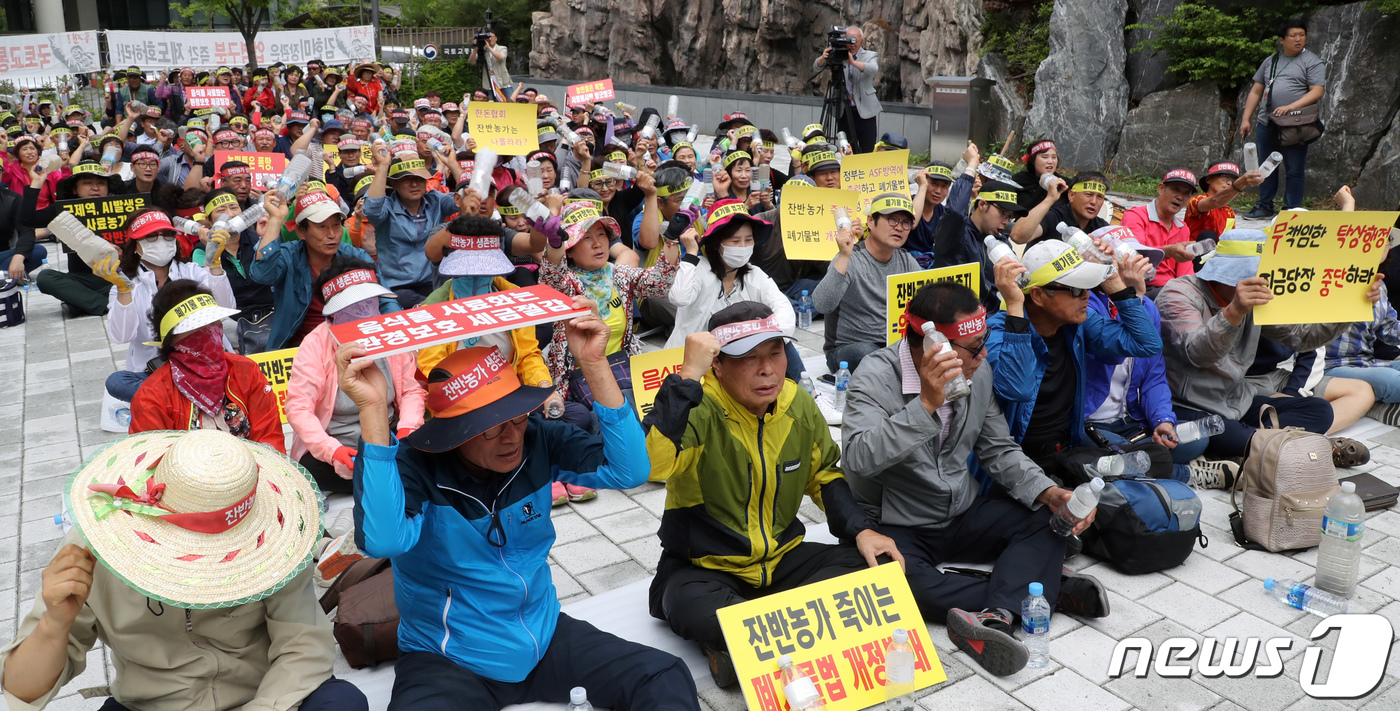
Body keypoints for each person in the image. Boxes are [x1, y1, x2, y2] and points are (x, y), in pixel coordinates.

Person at [342, 302, 700, 711]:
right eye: (491, 428)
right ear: (456, 432)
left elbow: (631, 471)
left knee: (662, 676)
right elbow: (383, 540)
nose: (511, 437)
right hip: (449, 658)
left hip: (542, 635)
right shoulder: (414, 465)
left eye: (516, 416)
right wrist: (372, 409)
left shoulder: (536, 438)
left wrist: (594, 364)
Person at [842, 280, 1107, 677]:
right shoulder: (875, 375)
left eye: (984, 343)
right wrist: (928, 404)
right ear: (933, 346)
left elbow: (998, 449)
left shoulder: (976, 372)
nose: (983, 356)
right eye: (972, 348)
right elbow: (859, 458)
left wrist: (1050, 493)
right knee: (896, 587)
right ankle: (1041, 589)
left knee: (1049, 520)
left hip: (962, 510)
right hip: (897, 522)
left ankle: (998, 613)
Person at [0, 428, 366, 711]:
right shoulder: (93, 548)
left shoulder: (274, 538)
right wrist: (54, 622)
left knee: (341, 702)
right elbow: (21, 690)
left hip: (265, 694)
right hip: (150, 705)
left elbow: (303, 645)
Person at [644, 302, 902, 686]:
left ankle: (743, 641)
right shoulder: (698, 405)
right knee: (688, 605)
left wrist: (861, 530)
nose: (767, 369)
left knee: (876, 565)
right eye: (749, 358)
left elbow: (825, 475)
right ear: (718, 365)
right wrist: (687, 378)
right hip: (707, 566)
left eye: (776, 353)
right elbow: (654, 465)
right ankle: (771, 631)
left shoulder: (797, 401)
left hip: (781, 561)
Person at [1156, 229, 1382, 468]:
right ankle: (1280, 445)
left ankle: (1258, 447)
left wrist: (1351, 305)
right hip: (1187, 404)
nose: (1264, 283)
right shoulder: (1178, 293)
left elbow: (1302, 338)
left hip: (1235, 398)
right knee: (1229, 433)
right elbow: (1199, 354)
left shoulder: (1255, 299)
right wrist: (1233, 312)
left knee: (1320, 411)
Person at [985, 239, 1162, 460]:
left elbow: (1146, 344)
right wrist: (1014, 305)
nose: (1087, 295)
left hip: (1065, 448)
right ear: (1038, 295)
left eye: (1088, 286)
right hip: (1016, 461)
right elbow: (1018, 390)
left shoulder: (1076, 324)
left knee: (1157, 456)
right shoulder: (996, 333)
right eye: (1077, 289)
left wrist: (1114, 280)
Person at [415, 216, 563, 460]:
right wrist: (479, 397)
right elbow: (434, 370)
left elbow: (528, 356)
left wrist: (545, 389)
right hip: (461, 403)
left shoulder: (514, 298)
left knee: (567, 419)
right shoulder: (432, 308)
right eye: (467, 270)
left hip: (511, 397)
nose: (476, 276)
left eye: (484, 268)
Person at [287, 257, 426, 495]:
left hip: (390, 436)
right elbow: (298, 408)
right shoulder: (314, 345)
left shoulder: (389, 332)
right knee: (309, 473)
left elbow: (412, 390)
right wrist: (332, 451)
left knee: (426, 451)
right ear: (334, 312)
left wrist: (407, 430)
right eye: (355, 307)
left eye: (370, 304)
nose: (365, 313)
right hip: (340, 447)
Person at [541, 200, 679, 422]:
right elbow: (551, 277)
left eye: (601, 235)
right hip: (577, 377)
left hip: (623, 367)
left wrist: (671, 239)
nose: (597, 244)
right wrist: (555, 244)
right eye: (586, 238)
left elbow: (660, 282)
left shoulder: (620, 274)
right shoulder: (566, 283)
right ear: (570, 251)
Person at [126, 280, 283, 451]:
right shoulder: (153, 395)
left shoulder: (245, 370)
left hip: (253, 471)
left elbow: (269, 434)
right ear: (172, 339)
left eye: (213, 322)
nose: (209, 331)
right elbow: (150, 457)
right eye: (197, 327)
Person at [97, 208, 235, 403]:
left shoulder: (192, 272)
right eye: (151, 237)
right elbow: (122, 336)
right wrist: (123, 291)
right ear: (135, 245)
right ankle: (185, 397)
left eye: (167, 235)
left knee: (244, 368)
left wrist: (214, 264)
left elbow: (226, 306)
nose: (161, 241)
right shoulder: (127, 286)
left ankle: (174, 400)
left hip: (205, 362)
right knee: (117, 382)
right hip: (159, 370)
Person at [667, 199, 803, 381]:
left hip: (737, 355)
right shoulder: (699, 269)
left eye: (748, 240)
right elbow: (679, 298)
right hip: (696, 359)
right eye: (735, 241)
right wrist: (691, 254)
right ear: (717, 243)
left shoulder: (753, 274)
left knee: (783, 345)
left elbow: (781, 305)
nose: (743, 247)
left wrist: (766, 340)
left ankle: (809, 393)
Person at [250, 190, 386, 351]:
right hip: (299, 348)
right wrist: (276, 219)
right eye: (322, 227)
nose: (332, 235)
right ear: (301, 231)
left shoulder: (356, 256)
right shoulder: (288, 256)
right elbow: (262, 274)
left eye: (336, 225)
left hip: (353, 341)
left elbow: (385, 299)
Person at [812, 192, 920, 372]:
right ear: (871, 221)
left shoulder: (906, 260)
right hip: (849, 349)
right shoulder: (851, 258)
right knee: (871, 355)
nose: (899, 228)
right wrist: (844, 255)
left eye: (906, 223)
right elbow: (822, 304)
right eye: (892, 220)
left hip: (894, 344)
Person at [1240, 17, 1326, 218]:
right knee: (1266, 167)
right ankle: (1264, 205)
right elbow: (1256, 91)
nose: (1298, 39)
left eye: (1302, 35)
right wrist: (1246, 118)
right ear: (1282, 39)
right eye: (1293, 36)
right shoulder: (1271, 61)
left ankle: (1291, 210)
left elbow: (1317, 91)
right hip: (1267, 122)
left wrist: (1290, 107)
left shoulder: (1312, 62)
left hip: (1295, 124)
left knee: (1294, 168)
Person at [26, 160, 125, 316]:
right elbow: (27, 219)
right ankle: (105, 305)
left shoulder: (124, 206)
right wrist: (37, 183)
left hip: (119, 277)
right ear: (74, 188)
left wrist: (124, 255)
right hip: (84, 281)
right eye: (87, 183)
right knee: (45, 277)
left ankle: (82, 303)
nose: (95, 188)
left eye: (101, 183)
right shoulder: (63, 209)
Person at [363, 148, 461, 308]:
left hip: (434, 284)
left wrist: (453, 164)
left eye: (419, 178)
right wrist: (383, 166)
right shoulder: (386, 207)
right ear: (394, 184)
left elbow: (470, 198)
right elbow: (372, 209)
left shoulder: (436, 200)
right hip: (396, 289)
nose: (414, 184)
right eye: (406, 179)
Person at [930, 180, 1027, 315]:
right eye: (1003, 214)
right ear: (982, 204)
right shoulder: (957, 235)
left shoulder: (1001, 241)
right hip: (959, 317)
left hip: (995, 316)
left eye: (1010, 217)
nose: (1006, 221)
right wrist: (970, 168)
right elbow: (955, 213)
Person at [1120, 168, 1199, 295]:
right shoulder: (1135, 216)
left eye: (1186, 193)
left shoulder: (1183, 227)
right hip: (1143, 286)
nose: (1180, 197)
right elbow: (1135, 257)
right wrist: (1167, 251)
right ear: (1161, 189)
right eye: (1176, 190)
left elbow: (1185, 271)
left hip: (1172, 289)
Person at [906, 142, 979, 262]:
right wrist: (923, 187)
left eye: (944, 186)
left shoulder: (944, 212)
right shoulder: (909, 202)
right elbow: (911, 222)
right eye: (933, 184)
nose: (938, 191)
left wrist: (972, 198)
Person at [812, 26, 881, 152]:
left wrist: (853, 63)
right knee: (847, 149)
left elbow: (873, 69)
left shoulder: (870, 55)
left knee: (867, 149)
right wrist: (823, 58)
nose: (851, 44)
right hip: (843, 110)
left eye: (855, 41)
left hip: (865, 110)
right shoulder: (838, 54)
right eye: (848, 41)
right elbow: (816, 67)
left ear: (862, 41)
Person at [1009, 171, 1110, 247]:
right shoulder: (1054, 217)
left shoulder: (1102, 228)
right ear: (1072, 195)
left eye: (1100, 197)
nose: (1094, 201)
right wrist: (1050, 199)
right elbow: (1017, 236)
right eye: (1088, 195)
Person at [1184, 161, 1264, 243]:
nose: (1229, 182)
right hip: (1194, 252)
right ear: (1208, 179)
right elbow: (1215, 201)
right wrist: (1241, 183)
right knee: (1208, 235)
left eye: (1233, 180)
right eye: (1225, 177)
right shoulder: (1196, 200)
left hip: (1218, 253)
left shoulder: (1229, 212)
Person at [1011, 140, 1070, 213]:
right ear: (1033, 160)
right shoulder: (1017, 181)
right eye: (1045, 157)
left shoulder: (1065, 184)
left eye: (1054, 157)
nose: (1050, 161)